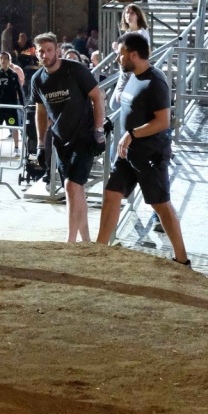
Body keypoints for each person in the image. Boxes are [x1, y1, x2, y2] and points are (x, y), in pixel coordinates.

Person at [97, 33, 189, 266]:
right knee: (112, 193)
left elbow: (163, 122)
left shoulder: (154, 82)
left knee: (160, 204)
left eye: (121, 55)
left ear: (134, 55)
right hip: (129, 152)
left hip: (150, 153)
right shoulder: (132, 76)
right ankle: (98, 250)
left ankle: (182, 258)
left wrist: (131, 133)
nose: (118, 59)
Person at [30, 32, 107, 243]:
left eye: (48, 50)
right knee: (74, 188)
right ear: (36, 54)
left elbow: (97, 97)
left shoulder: (76, 70)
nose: (45, 55)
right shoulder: (38, 80)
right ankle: (86, 241)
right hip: (60, 138)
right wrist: (40, 144)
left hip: (84, 135)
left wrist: (99, 131)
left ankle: (70, 241)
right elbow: (41, 112)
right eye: (41, 52)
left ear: (57, 50)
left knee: (72, 186)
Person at [0, 51, 24, 156]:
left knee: (14, 127)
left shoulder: (14, 74)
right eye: (1, 58)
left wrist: (22, 104)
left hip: (11, 107)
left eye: (5, 58)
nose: (3, 60)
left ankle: (16, 149)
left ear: (9, 60)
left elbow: (19, 90)